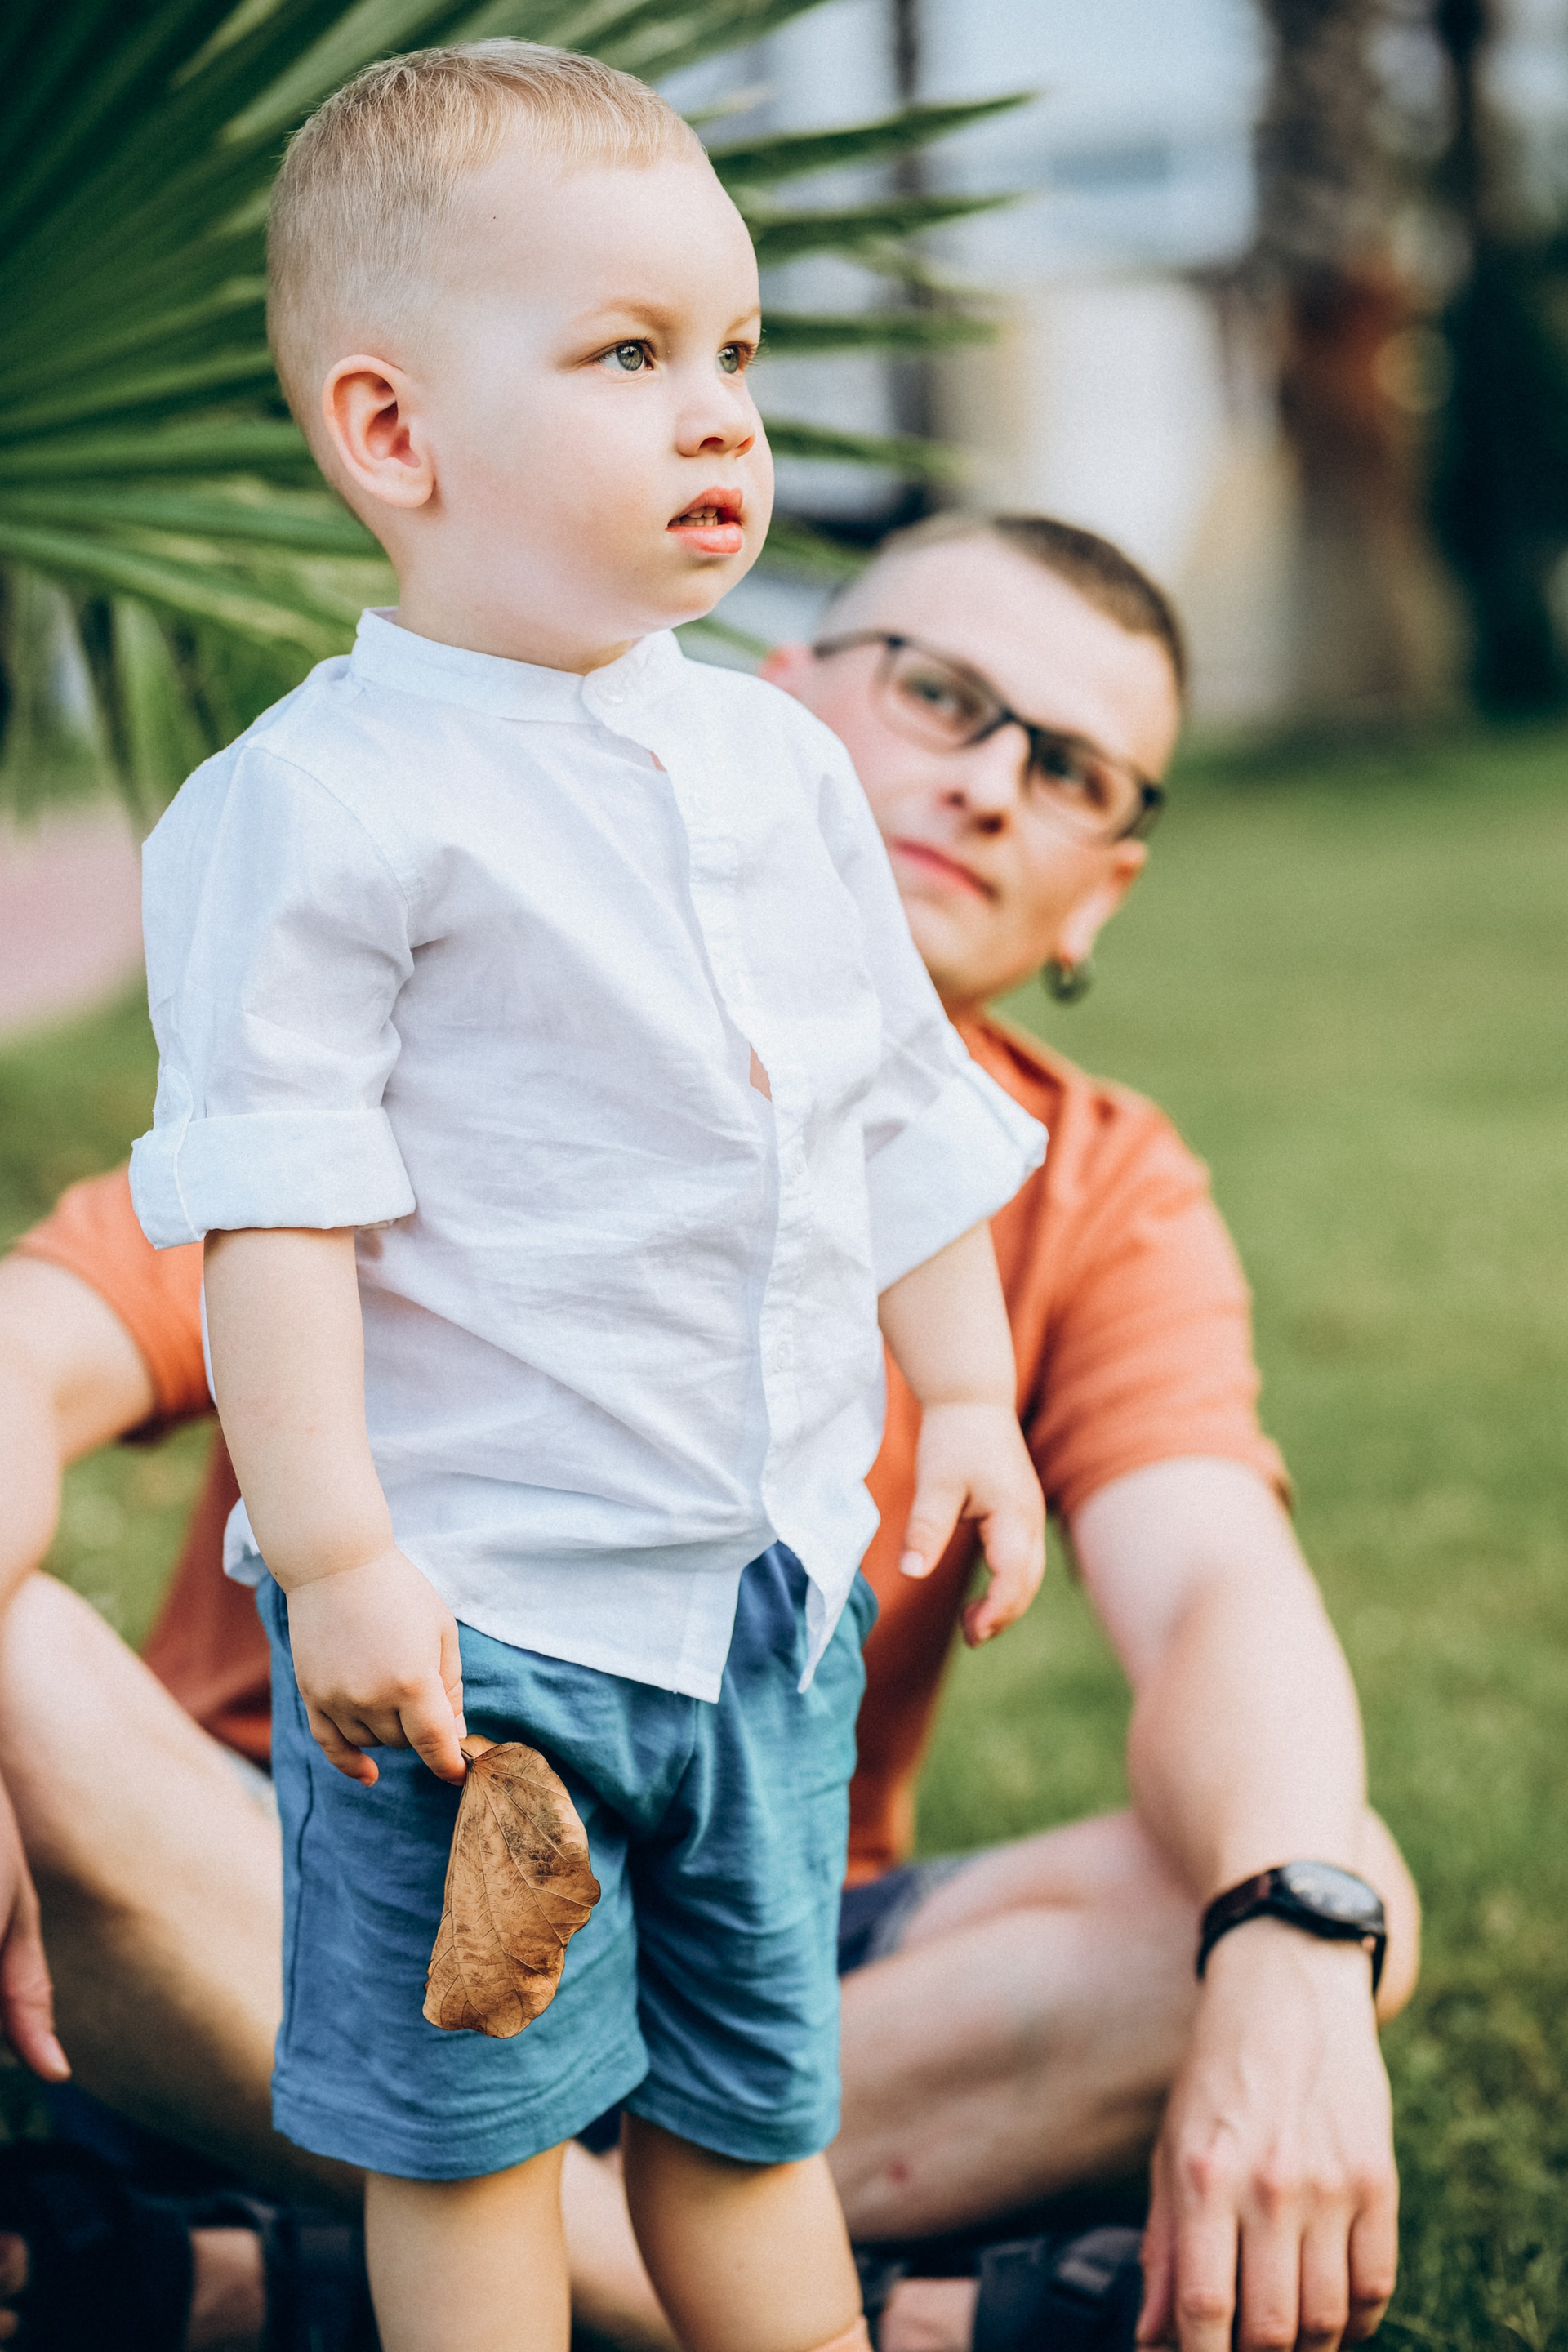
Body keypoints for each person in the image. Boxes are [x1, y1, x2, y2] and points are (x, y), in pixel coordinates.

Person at [0, 514, 1419, 2352]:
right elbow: (27, 1352)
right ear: (779, 699)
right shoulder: (449, 997)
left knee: (1318, 1882)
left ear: (1103, 893)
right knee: (21, 1670)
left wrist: (1291, 1933)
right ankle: (769, 2303)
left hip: (752, 1913)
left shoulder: (1095, 1187)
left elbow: (1218, 1586)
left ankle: (328, 2281)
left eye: (1067, 769)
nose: (990, 783)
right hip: (301, 1871)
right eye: (943, 694)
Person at [121, 35, 1049, 2352]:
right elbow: (275, 1205)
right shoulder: (323, 805)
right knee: (476, 2139)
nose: (719, 416)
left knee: (750, 2119)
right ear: (394, 432)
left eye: (736, 350)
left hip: (759, 1594)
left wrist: (969, 1398)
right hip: (483, 1637)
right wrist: (337, 1551)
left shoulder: (774, 760)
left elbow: (886, 1093)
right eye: (631, 357)